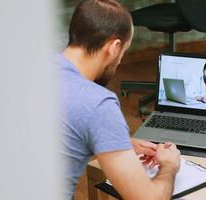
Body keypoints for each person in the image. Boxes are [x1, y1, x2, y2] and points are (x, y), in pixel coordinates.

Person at [54, 0, 180, 199]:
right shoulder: (98, 103)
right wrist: (170, 165)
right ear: (114, 47)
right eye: (123, 52)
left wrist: (116, 142)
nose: (120, 60)